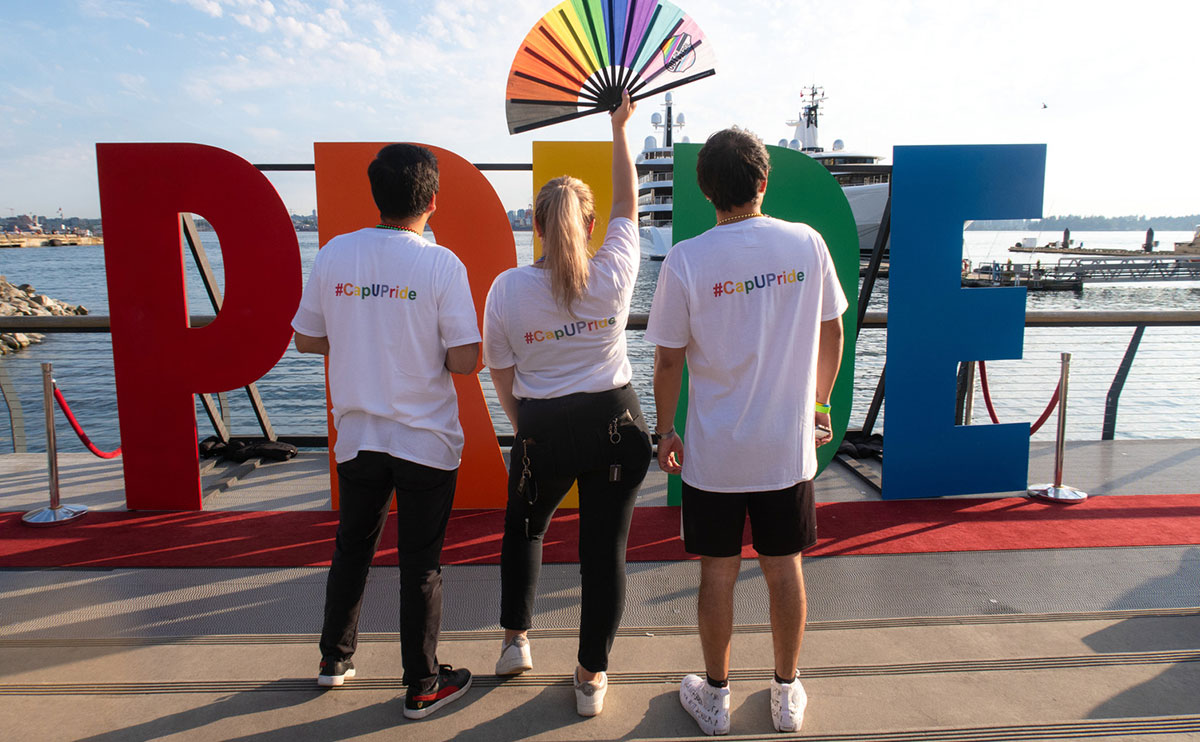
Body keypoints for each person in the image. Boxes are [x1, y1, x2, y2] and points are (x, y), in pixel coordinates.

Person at [645, 127, 847, 735]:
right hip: (786, 446)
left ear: (706, 189)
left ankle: (715, 698)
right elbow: (833, 332)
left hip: (715, 453)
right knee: (784, 567)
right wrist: (820, 404)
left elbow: (668, 361)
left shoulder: (686, 259)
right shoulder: (806, 243)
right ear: (763, 181)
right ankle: (785, 693)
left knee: (718, 571)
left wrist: (665, 430)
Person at [291, 143, 479, 721]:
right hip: (425, 440)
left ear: (375, 194)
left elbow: (306, 338)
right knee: (420, 564)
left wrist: (358, 331)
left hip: (357, 434)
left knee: (353, 546)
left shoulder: (334, 253)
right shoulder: (441, 264)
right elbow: (465, 360)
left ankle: (334, 659)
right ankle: (422, 684)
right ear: (432, 200)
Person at [482, 92, 652, 718]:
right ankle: (590, 679)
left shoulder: (507, 290)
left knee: (525, 528)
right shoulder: (613, 271)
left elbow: (501, 371)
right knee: (604, 553)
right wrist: (620, 128)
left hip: (543, 426)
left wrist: (527, 424)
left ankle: (514, 643)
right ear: (589, 225)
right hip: (616, 424)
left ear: (535, 226)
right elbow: (629, 204)